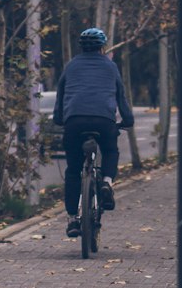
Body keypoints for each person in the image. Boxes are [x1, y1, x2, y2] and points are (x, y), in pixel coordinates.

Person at [53, 27, 135, 239]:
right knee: (110, 150)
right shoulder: (110, 67)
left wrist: (59, 119)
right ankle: (107, 182)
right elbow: (121, 97)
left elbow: (61, 96)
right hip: (104, 120)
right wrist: (127, 120)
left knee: (73, 170)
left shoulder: (70, 67)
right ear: (102, 46)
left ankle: (72, 219)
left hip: (74, 121)